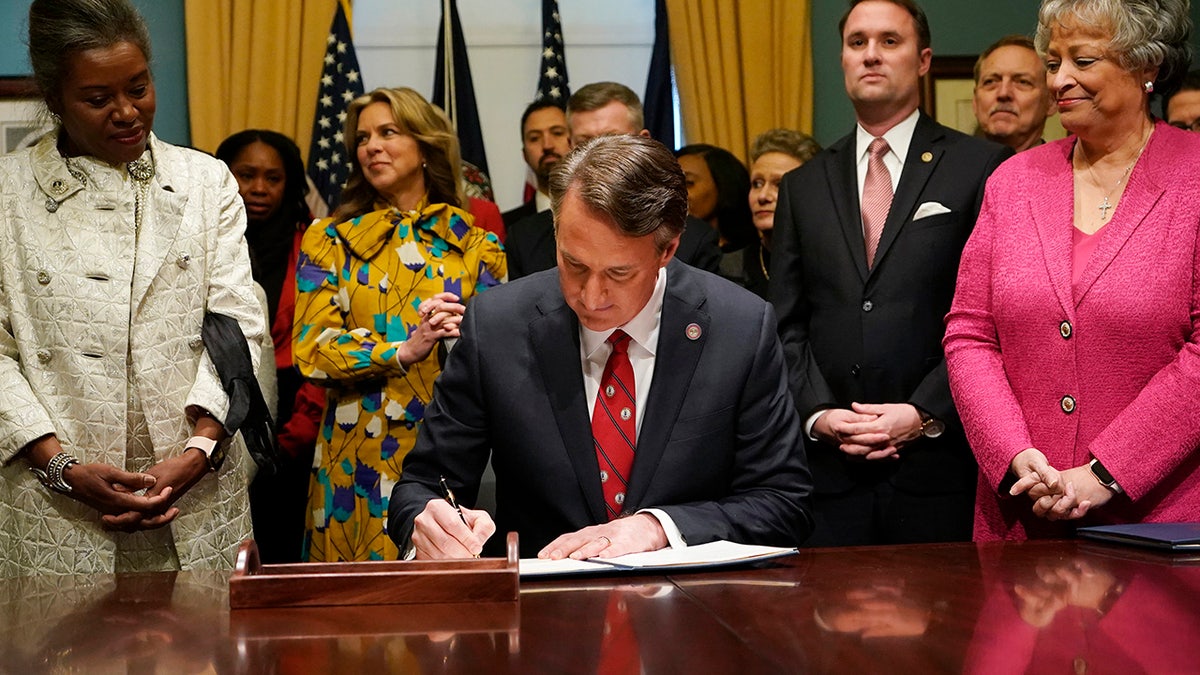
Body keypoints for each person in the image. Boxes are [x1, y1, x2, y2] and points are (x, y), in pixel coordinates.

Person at [388, 134, 813, 560]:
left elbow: (783, 502)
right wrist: (431, 529)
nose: (590, 297)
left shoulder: (739, 327)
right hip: (543, 608)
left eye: (619, 273)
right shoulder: (497, 326)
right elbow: (422, 486)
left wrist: (659, 527)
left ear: (667, 249)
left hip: (689, 607)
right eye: (573, 264)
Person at [0, 0, 264, 576]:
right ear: (53, 99)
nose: (127, 112)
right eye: (97, 100)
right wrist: (59, 466)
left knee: (205, 660)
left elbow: (236, 323)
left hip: (196, 491)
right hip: (54, 500)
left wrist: (199, 450)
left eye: (138, 87)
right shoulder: (8, 193)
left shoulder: (204, 180)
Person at [943, 0, 1199, 540]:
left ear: (1147, 66)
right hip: (1022, 516)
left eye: (1082, 61)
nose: (1060, 79)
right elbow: (969, 334)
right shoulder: (1012, 182)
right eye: (1054, 61)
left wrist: (1107, 472)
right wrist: (1014, 454)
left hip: (1160, 521)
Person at [770, 0, 1011, 546]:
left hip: (939, 469)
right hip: (829, 479)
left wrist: (924, 412)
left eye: (889, 41)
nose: (871, 55)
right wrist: (820, 415)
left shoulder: (982, 167)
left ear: (924, 60)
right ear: (841, 59)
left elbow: (993, 320)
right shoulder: (802, 186)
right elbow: (786, 324)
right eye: (857, 43)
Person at [292, 87, 506, 562]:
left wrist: (468, 329)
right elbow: (310, 349)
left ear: (426, 145)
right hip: (355, 456)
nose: (371, 146)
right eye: (363, 137)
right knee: (351, 621)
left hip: (446, 450)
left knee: (438, 620)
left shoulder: (477, 244)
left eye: (389, 132)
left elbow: (504, 355)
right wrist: (400, 351)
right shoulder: (328, 240)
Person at [216, 129, 324, 563]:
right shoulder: (209, 241)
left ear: (291, 184)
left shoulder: (315, 243)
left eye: (273, 178)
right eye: (246, 174)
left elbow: (322, 339)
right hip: (223, 411)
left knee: (283, 548)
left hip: (301, 411)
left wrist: (293, 436)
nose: (259, 188)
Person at [504, 82, 721, 280]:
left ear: (643, 141)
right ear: (570, 146)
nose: (598, 153)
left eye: (611, 140)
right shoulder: (525, 239)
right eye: (585, 141)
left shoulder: (694, 240)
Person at [746, 129, 822, 298]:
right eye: (757, 184)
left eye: (779, 185)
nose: (763, 196)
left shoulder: (830, 266)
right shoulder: (726, 268)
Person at [675, 144, 757, 288]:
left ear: (724, 185)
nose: (674, 192)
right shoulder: (667, 250)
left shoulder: (752, 257)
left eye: (688, 183)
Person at [972, 35, 1056, 152]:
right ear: (975, 101)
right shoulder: (951, 168)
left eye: (1023, 82)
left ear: (1051, 102)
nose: (1003, 93)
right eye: (990, 81)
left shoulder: (1070, 169)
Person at [501, 100, 570, 227]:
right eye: (534, 138)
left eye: (557, 133)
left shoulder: (602, 215)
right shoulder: (508, 227)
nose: (547, 145)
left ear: (575, 141)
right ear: (525, 155)